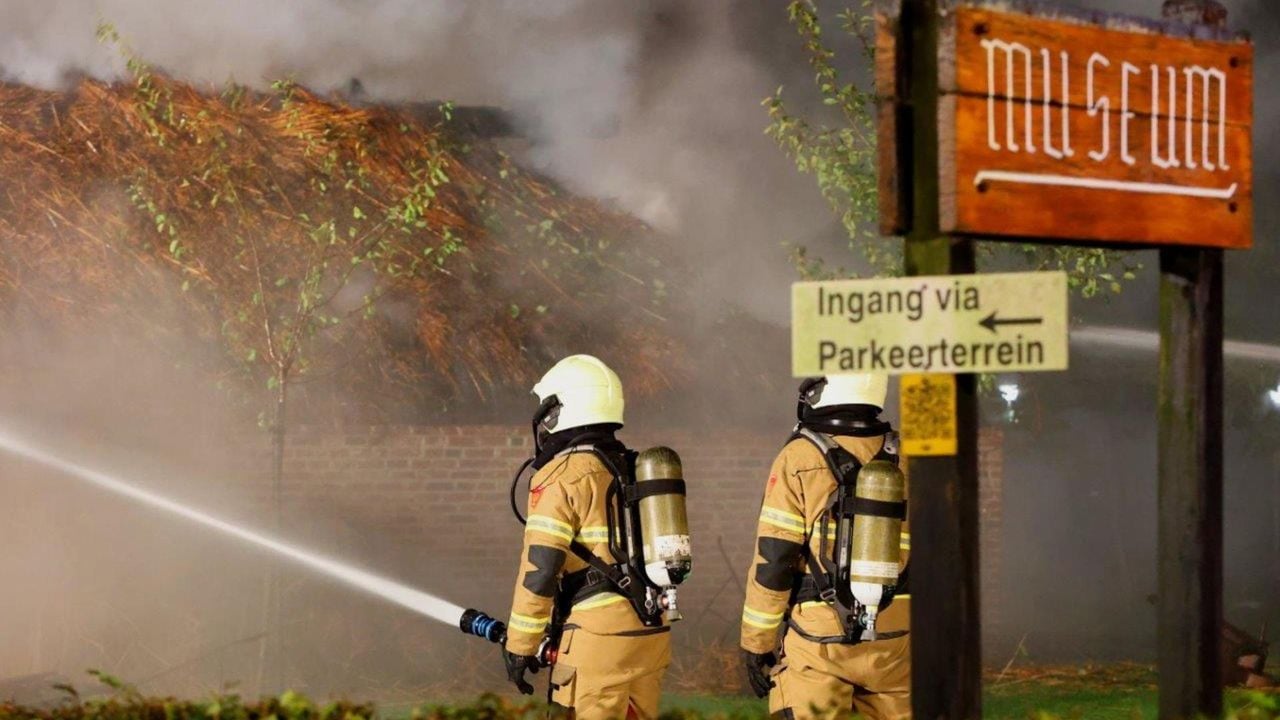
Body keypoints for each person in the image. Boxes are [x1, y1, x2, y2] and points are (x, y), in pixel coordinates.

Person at [503, 354, 673, 720]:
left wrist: (520, 645)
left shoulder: (561, 475)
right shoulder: (633, 466)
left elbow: (541, 570)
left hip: (597, 641)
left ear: (559, 410)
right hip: (650, 631)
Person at [740, 374, 911, 720]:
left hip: (820, 639)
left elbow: (775, 559)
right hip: (895, 636)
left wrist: (757, 642)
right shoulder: (906, 457)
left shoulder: (798, 457)